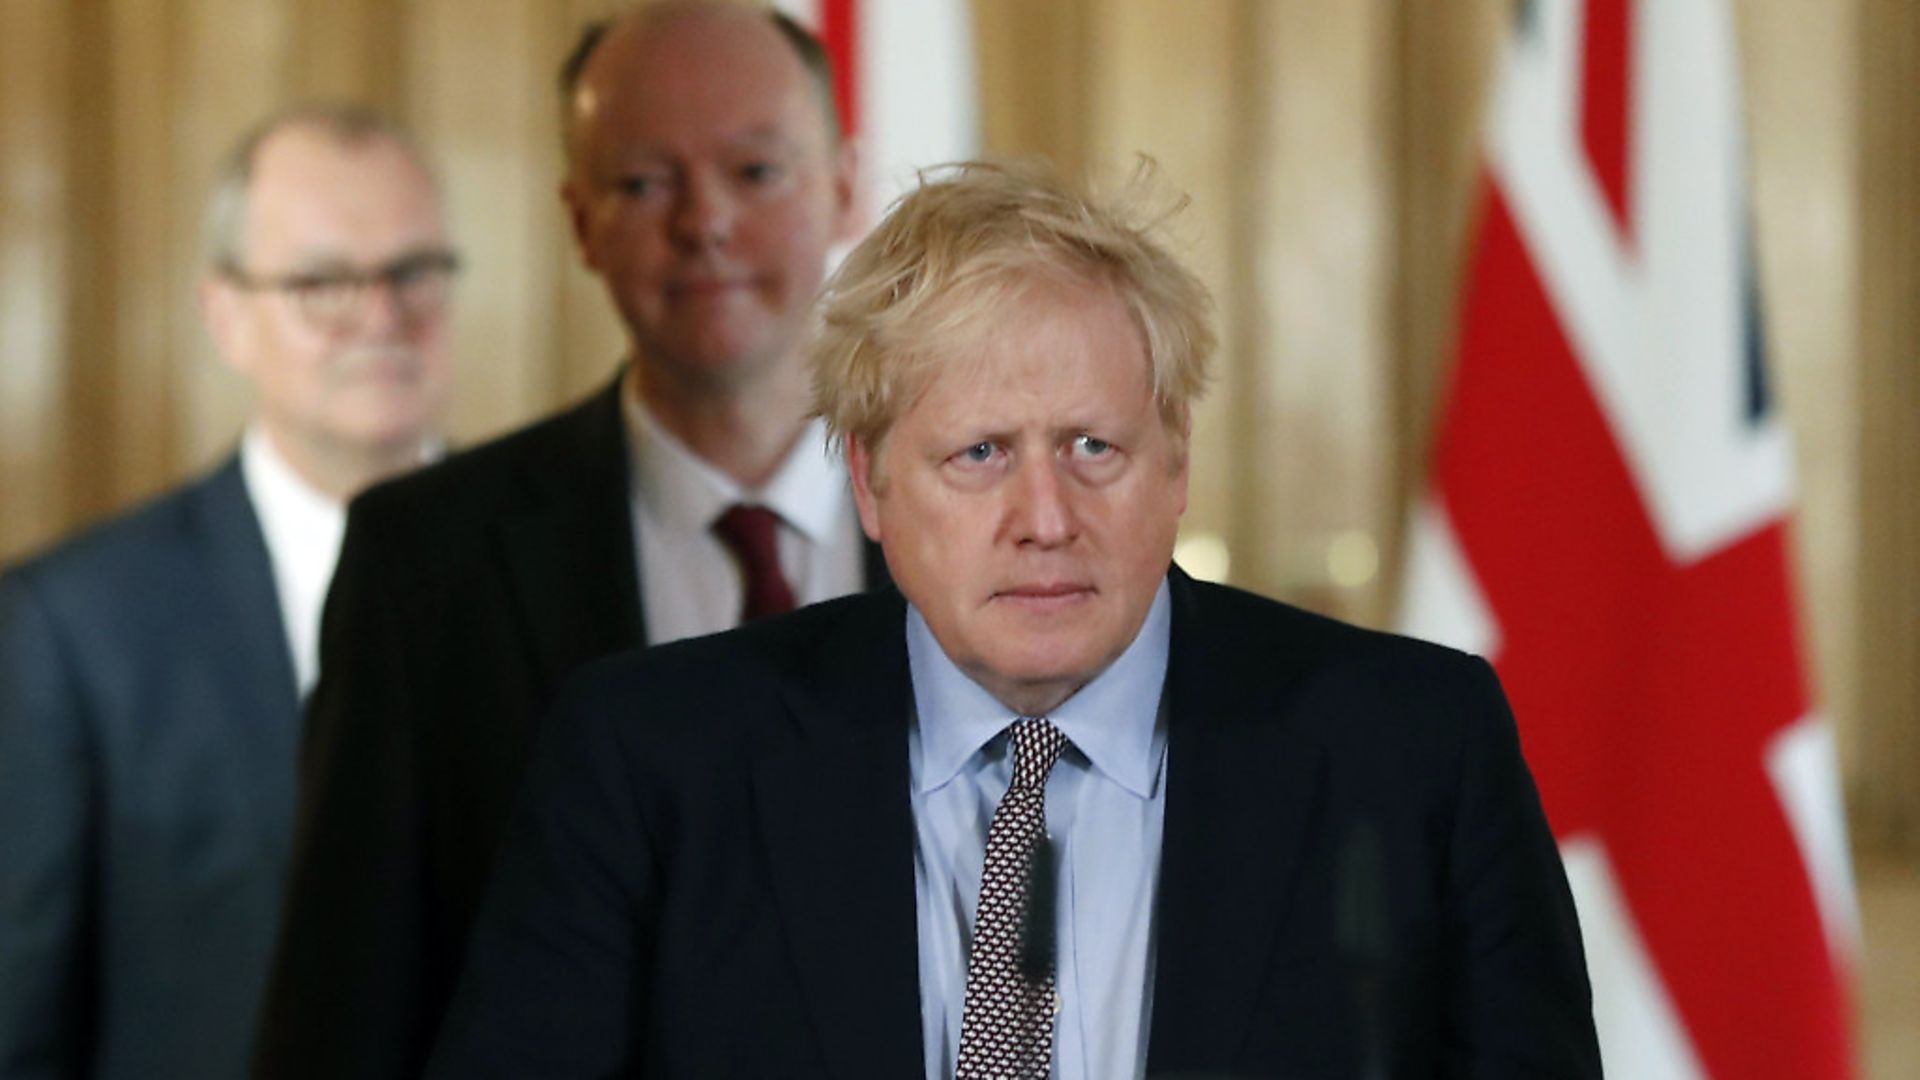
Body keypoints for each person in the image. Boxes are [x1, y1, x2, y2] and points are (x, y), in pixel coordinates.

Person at [426, 159, 1603, 1079]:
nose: (1046, 517)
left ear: (1177, 464)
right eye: (980, 454)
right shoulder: (652, 758)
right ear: (873, 486)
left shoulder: (1411, 745)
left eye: (1096, 447)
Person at [251, 5, 885, 1077]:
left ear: (843, 189)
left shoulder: (988, 525)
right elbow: (338, 1021)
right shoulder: (423, 566)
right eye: (645, 183)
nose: (705, 223)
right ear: (580, 219)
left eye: (756, 170)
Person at [0, 104, 456, 1080]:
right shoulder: (73, 626)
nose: (381, 318)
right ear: (226, 316)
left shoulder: (561, 566)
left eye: (415, 271)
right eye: (322, 282)